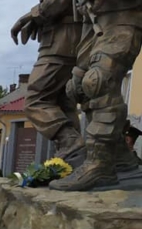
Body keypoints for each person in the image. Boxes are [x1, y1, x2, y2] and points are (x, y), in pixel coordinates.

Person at [51, 1, 142, 191]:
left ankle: (98, 164)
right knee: (77, 87)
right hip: (93, 22)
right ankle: (120, 158)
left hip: (124, 16)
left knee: (98, 82)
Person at [11, 0, 85, 168]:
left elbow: (55, 4)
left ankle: (70, 142)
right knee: (62, 103)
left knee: (35, 100)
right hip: (63, 41)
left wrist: (29, 16)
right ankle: (70, 161)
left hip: (61, 44)